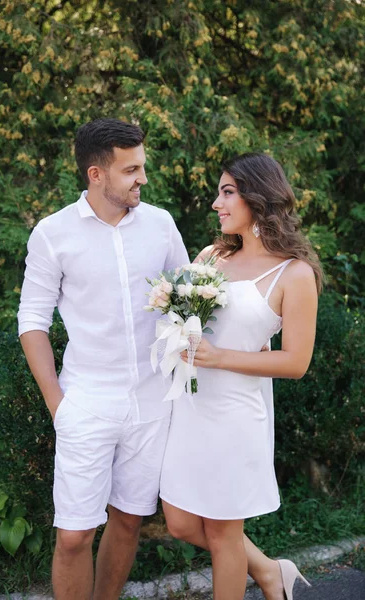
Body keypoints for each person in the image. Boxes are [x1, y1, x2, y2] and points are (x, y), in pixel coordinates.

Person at [17, 117, 189, 600]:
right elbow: (31, 321)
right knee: (73, 535)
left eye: (142, 167)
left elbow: (189, 297)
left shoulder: (160, 224)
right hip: (86, 402)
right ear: (97, 175)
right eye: (131, 169)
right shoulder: (53, 234)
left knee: (130, 519)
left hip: (152, 401)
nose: (143, 179)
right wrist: (58, 404)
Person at [160, 152, 322, 600]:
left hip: (236, 415)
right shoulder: (211, 256)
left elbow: (295, 361)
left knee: (222, 535)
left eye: (227, 192)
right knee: (179, 521)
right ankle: (271, 571)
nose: (217, 202)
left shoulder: (295, 274)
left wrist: (221, 355)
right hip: (190, 407)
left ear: (258, 197)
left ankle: (266, 575)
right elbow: (184, 325)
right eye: (219, 192)